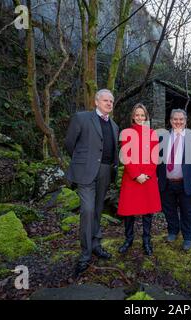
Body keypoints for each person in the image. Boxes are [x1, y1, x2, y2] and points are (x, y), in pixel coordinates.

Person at [64, 89, 119, 277]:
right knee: (87, 210)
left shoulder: (114, 126)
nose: (109, 104)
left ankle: (96, 245)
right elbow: (69, 144)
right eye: (106, 100)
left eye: (111, 101)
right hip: (86, 172)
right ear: (96, 102)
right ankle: (85, 255)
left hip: (105, 171)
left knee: (97, 210)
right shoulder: (81, 118)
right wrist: (81, 161)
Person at [157, 109, 191, 251]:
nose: (178, 122)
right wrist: (156, 176)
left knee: (188, 211)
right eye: (175, 119)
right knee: (169, 209)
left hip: (186, 181)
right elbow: (157, 160)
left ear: (185, 121)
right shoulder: (163, 138)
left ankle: (188, 237)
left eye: (181, 119)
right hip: (167, 181)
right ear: (171, 121)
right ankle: (173, 231)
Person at [117, 103, 161, 256]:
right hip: (131, 178)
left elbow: (154, 157)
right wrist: (136, 175)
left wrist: (146, 174)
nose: (140, 117)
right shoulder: (127, 133)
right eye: (137, 115)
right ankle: (128, 240)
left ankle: (146, 241)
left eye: (142, 115)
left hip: (148, 178)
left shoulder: (152, 134)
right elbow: (126, 157)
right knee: (129, 211)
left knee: (147, 212)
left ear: (146, 117)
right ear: (133, 117)